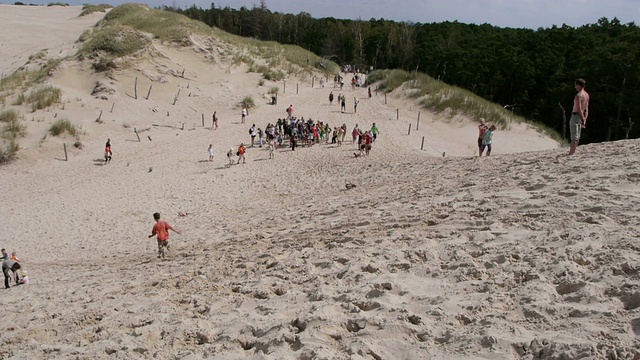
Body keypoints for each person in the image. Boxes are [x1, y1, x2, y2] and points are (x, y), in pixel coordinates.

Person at [569, 78, 590, 155]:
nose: (575, 87)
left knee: (574, 136)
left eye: (576, 85)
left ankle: (571, 152)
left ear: (579, 85)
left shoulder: (578, 95)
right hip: (581, 117)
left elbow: (579, 108)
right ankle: (573, 152)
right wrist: (585, 118)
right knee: (577, 136)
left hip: (575, 116)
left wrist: (582, 117)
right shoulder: (587, 95)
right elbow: (586, 109)